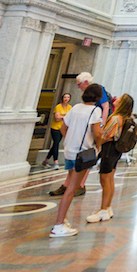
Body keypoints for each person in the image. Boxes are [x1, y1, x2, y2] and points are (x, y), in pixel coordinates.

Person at [50, 83, 104, 237]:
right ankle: (58, 225)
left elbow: (63, 128)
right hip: (82, 154)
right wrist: (98, 146)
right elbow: (96, 132)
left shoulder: (75, 108)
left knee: (70, 186)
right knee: (72, 189)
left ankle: (62, 220)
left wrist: (71, 139)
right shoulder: (95, 110)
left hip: (69, 151)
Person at [49, 73, 108, 196]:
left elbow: (105, 107)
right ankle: (68, 186)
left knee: (83, 161)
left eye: (79, 84)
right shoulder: (77, 107)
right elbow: (64, 127)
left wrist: (102, 125)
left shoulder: (95, 101)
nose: (78, 87)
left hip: (88, 134)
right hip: (77, 139)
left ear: (86, 82)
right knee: (74, 167)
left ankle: (78, 186)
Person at [86, 93, 134, 224]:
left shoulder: (116, 118)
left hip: (108, 150)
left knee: (105, 179)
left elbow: (106, 135)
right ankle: (107, 207)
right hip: (115, 151)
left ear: (122, 103)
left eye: (119, 98)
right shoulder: (124, 118)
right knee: (110, 179)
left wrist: (97, 137)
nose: (116, 99)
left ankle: (103, 210)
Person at [42, 93, 72, 168]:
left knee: (55, 144)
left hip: (63, 128)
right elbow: (57, 118)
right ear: (62, 98)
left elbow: (70, 117)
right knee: (56, 143)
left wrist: (62, 117)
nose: (66, 99)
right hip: (55, 128)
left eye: (68, 97)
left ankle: (46, 161)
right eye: (65, 97)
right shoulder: (58, 107)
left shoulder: (69, 107)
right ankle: (56, 161)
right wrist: (65, 117)